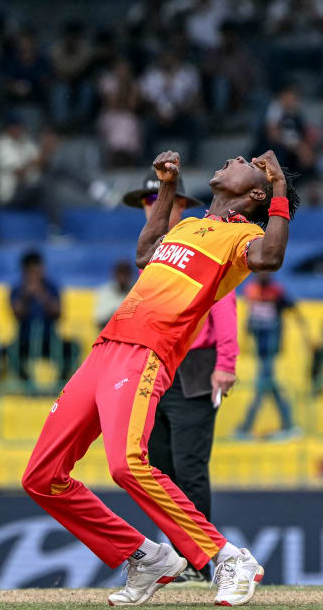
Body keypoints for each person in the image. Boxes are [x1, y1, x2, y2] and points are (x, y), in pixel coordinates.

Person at [22, 149, 299, 607]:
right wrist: (168, 186)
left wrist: (281, 188)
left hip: (147, 352)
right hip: (106, 349)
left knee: (126, 463)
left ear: (255, 192)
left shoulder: (243, 236)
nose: (233, 157)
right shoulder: (188, 227)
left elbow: (271, 257)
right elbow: (145, 254)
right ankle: (145, 556)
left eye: (245, 161)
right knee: (41, 476)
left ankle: (228, 558)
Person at [121, 170, 239, 583]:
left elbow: (222, 303)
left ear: (183, 205)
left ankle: (200, 560)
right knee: (160, 469)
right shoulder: (155, 251)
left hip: (193, 368)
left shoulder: (200, 241)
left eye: (160, 201)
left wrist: (226, 361)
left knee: (188, 468)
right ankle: (186, 556)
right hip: (156, 367)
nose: (151, 207)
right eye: (148, 202)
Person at [235, 273, 302, 439]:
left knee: (262, 386)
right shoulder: (251, 289)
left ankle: (245, 427)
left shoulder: (277, 291)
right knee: (270, 385)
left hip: (271, 347)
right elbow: (251, 316)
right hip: (260, 347)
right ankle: (289, 425)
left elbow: (292, 308)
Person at [8, 251, 79, 391]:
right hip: (25, 339)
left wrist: (41, 294)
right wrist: (26, 295)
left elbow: (58, 313)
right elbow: (16, 313)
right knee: (10, 351)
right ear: (25, 271)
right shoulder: (17, 289)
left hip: (49, 339)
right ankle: (27, 384)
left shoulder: (51, 287)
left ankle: (60, 383)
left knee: (74, 348)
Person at [93, 261, 135, 329]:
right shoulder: (104, 291)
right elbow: (99, 320)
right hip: (108, 333)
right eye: (120, 273)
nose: (123, 277)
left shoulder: (136, 292)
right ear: (115, 274)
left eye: (126, 273)